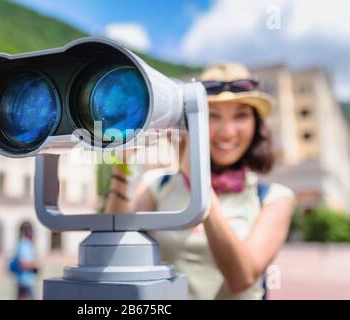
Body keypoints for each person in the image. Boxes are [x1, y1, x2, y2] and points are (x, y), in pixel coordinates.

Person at [104, 63, 296, 299]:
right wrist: (122, 166)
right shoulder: (157, 185)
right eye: (212, 116)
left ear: (257, 125)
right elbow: (114, 247)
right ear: (190, 122)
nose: (227, 132)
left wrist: (197, 179)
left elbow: (241, 279)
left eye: (241, 116)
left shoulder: (274, 197)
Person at [10, 222, 39, 300]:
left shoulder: (29, 244)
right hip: (24, 280)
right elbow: (22, 263)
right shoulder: (24, 245)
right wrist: (34, 267)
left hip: (27, 280)